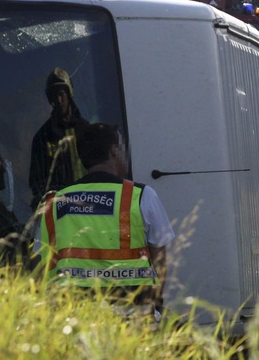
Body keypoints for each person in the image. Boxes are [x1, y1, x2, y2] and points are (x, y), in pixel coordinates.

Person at [39, 122, 174, 314]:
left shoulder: (54, 202)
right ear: (113, 151)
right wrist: (156, 302)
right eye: (122, 148)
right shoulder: (142, 196)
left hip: (74, 314)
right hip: (134, 313)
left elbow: (42, 262)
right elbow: (160, 258)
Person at [29, 67, 89, 207]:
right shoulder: (43, 137)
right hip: (60, 209)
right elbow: (36, 181)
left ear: (69, 94)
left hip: (90, 204)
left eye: (62, 94)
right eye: (54, 95)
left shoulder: (86, 130)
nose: (59, 99)